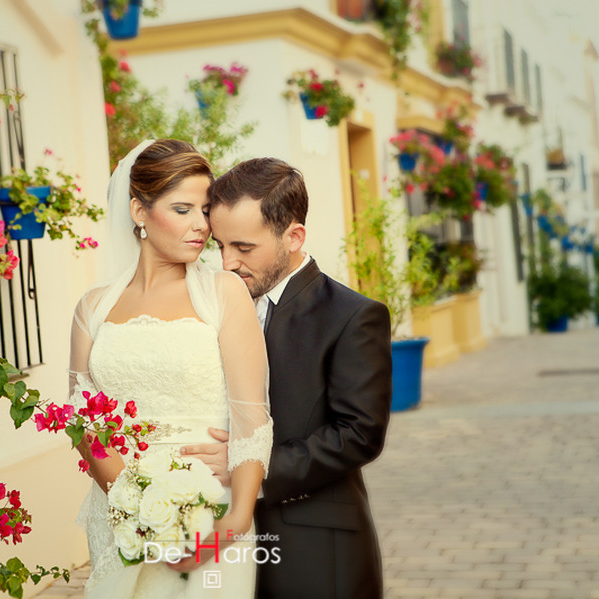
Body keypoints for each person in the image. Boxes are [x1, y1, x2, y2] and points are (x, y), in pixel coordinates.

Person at [68, 139, 273, 598]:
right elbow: (82, 422)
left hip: (213, 516)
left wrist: (235, 520)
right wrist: (135, 507)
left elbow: (251, 418)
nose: (201, 226)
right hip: (119, 514)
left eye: (205, 210)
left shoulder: (224, 293)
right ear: (140, 212)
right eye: (183, 210)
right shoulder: (93, 309)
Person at [183, 157, 392, 598]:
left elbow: (359, 434)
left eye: (244, 247)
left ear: (293, 236)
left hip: (313, 541)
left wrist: (249, 468)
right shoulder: (205, 304)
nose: (228, 262)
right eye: (219, 246)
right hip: (216, 542)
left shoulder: (354, 316)